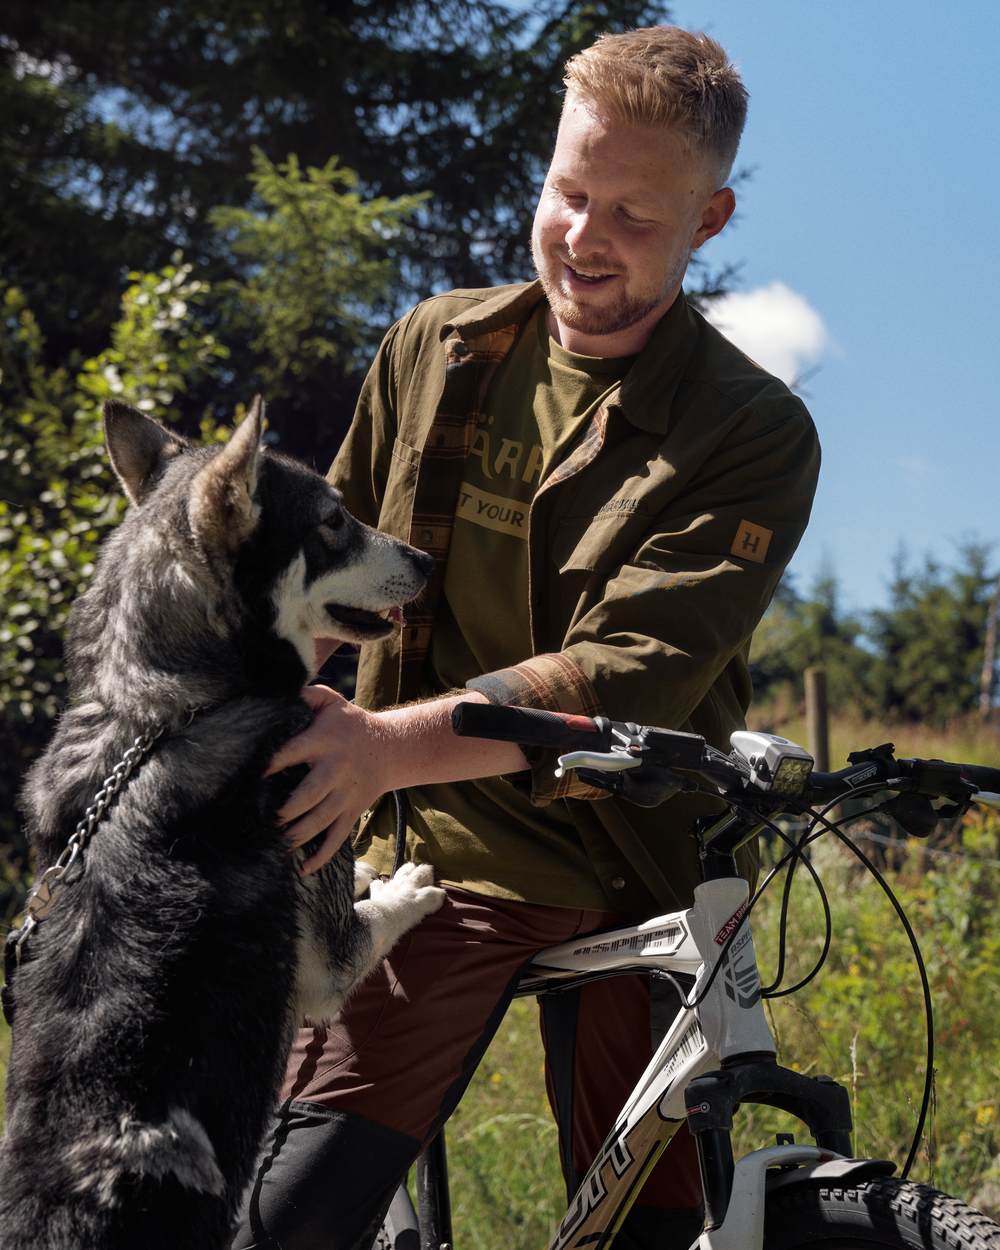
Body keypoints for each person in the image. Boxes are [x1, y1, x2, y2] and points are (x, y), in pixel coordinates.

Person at [232, 24, 821, 1250]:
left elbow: (626, 669)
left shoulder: (751, 430)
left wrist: (385, 744)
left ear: (708, 221)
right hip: (430, 852)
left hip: (636, 859)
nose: (583, 237)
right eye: (567, 192)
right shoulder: (436, 345)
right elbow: (318, 591)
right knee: (283, 1217)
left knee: (652, 1230)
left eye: (635, 216)